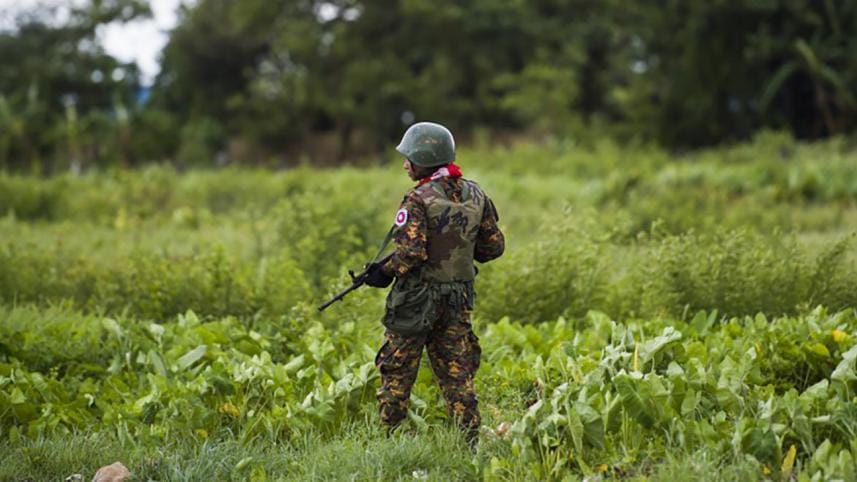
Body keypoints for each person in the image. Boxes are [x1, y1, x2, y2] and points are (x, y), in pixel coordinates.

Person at [363, 121, 505, 447]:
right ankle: (469, 443)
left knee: (397, 369)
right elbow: (494, 247)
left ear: (424, 160)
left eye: (409, 158)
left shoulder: (417, 199)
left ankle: (387, 439)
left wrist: (383, 272)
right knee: (457, 373)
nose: (405, 164)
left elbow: (410, 254)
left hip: (416, 300)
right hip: (457, 299)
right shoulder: (476, 194)